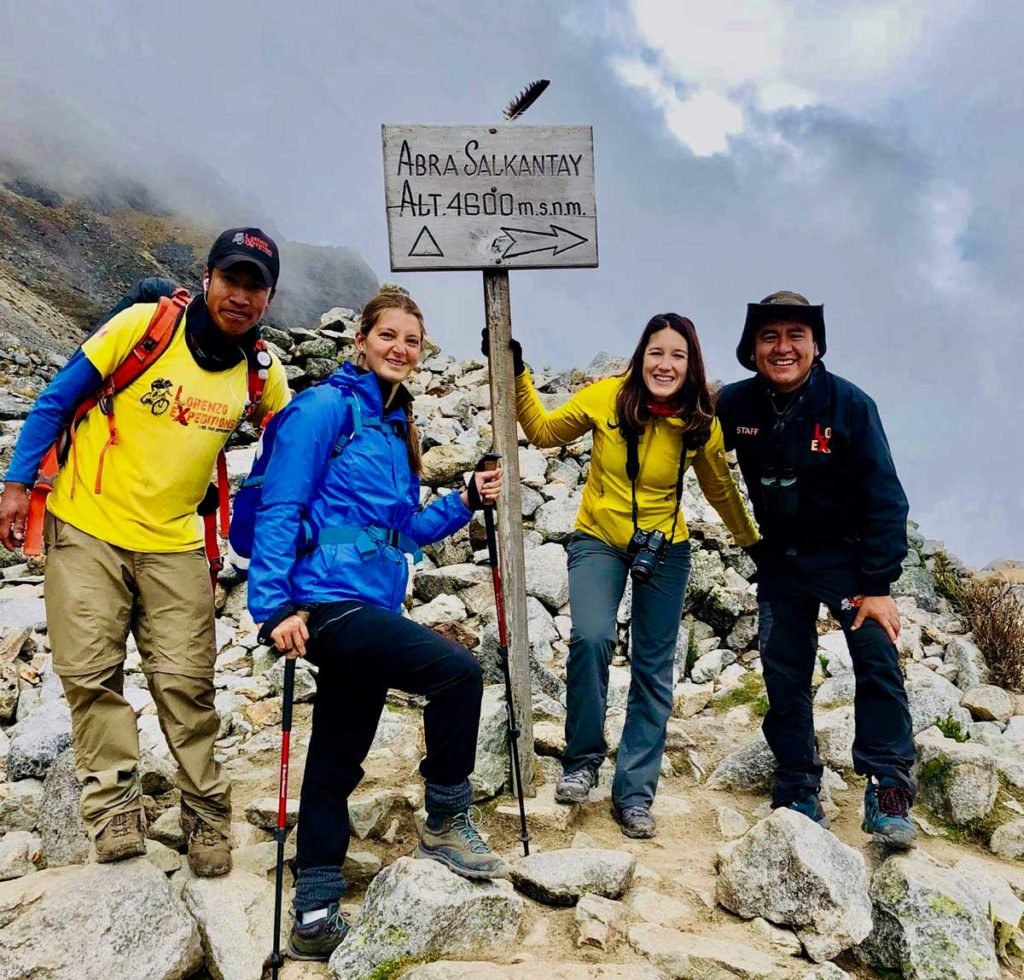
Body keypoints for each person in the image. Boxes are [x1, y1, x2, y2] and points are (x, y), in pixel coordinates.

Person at [0, 227, 291, 874]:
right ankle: (114, 811)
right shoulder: (142, 327)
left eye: (255, 286)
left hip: (176, 540)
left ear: (268, 298)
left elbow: (293, 440)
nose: (240, 296)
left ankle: (207, 817)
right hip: (86, 525)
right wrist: (18, 483)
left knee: (187, 686)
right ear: (208, 277)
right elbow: (55, 399)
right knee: (90, 674)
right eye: (231, 279)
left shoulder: (261, 374)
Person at [249, 291, 508, 962]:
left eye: (412, 340)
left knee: (335, 763)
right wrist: (272, 608)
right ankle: (448, 819)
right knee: (458, 673)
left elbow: (402, 532)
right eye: (388, 334)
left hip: (372, 605)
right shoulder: (324, 409)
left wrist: (464, 501)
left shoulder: (395, 426)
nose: (400, 347)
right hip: (329, 607)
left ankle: (314, 914)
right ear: (359, 341)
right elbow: (281, 506)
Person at [484, 313, 759, 839]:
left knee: (654, 668)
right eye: (657, 352)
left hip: (666, 548)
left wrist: (751, 543)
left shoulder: (699, 420)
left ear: (691, 364)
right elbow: (541, 432)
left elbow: (721, 486)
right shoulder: (608, 396)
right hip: (598, 538)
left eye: (678, 356)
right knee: (591, 637)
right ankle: (582, 760)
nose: (665, 364)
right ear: (641, 356)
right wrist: (514, 371)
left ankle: (634, 793)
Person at [716, 290, 917, 848]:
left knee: (876, 658)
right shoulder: (736, 404)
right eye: (769, 337)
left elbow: (885, 495)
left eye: (795, 336)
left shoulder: (850, 405)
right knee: (783, 667)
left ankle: (889, 787)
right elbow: (688, 431)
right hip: (780, 558)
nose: (782, 348)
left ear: (816, 347)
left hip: (850, 559)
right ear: (752, 349)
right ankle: (798, 783)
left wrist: (878, 585)